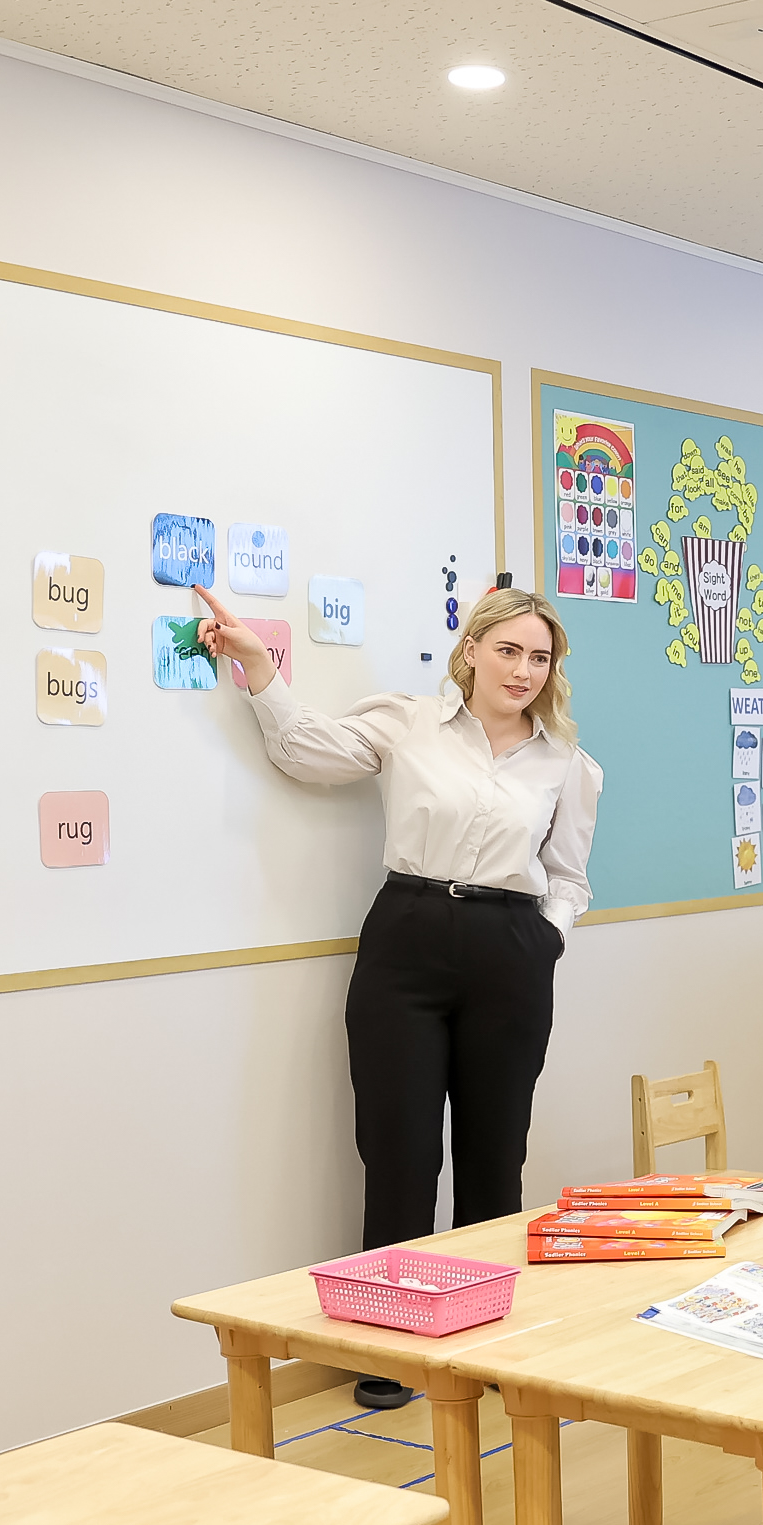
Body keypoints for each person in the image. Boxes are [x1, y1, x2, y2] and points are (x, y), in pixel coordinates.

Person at [196, 582, 602, 1397]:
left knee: (495, 1158)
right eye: (508, 650)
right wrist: (258, 667)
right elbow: (307, 751)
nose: (523, 670)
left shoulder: (568, 764)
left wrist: (544, 940)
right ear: (471, 651)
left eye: (539, 656)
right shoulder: (409, 722)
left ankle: (482, 1344)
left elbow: (569, 877)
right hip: (407, 939)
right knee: (398, 1153)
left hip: (511, 952)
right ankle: (392, 1349)